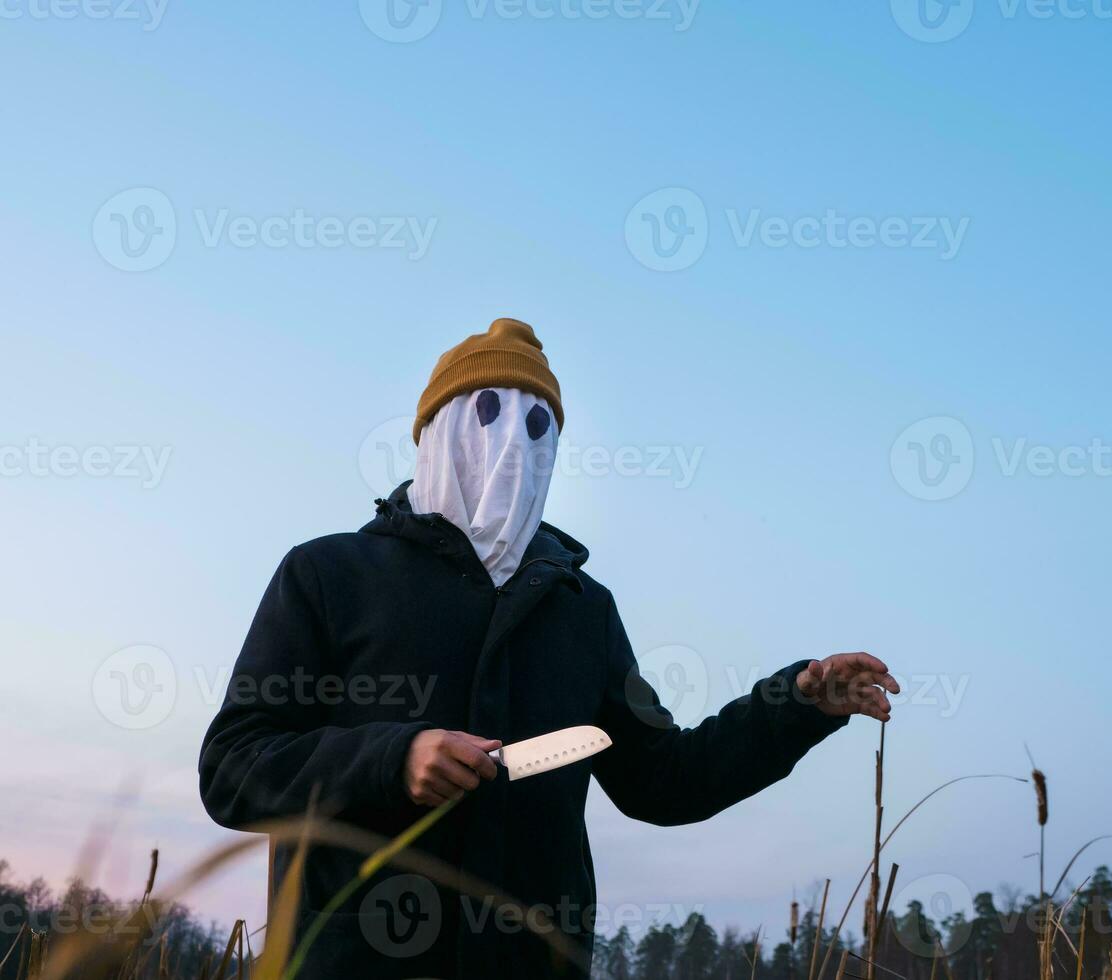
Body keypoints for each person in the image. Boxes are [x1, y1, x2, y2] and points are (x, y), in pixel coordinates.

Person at [199, 317, 900, 978]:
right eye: (486, 414)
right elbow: (233, 767)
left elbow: (664, 780)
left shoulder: (582, 611)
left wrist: (797, 705)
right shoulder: (329, 575)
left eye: (538, 425)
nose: (512, 444)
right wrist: (391, 757)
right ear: (437, 429)